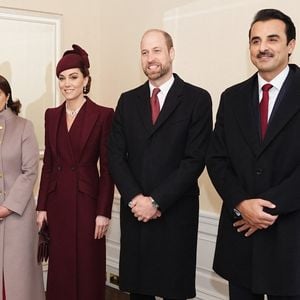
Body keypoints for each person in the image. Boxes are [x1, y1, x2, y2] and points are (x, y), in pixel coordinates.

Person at [108, 29, 212, 300]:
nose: (150, 58)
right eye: (144, 52)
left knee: (173, 291)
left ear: (171, 53)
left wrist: (155, 201)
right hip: (136, 215)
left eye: (156, 50)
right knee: (139, 292)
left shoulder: (197, 99)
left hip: (175, 214)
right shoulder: (127, 100)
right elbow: (116, 156)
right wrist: (136, 199)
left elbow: (195, 160)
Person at [206, 8, 300, 300]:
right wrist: (241, 203)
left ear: (290, 45)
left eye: (272, 39)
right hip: (241, 239)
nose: (263, 47)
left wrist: (264, 210)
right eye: (255, 41)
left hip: (290, 239)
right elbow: (217, 159)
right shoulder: (231, 98)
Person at [36, 44, 114, 300]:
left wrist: (103, 212)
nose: (66, 84)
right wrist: (42, 206)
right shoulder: (51, 115)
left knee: (88, 269)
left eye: (73, 77)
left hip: (88, 206)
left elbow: (108, 168)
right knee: (61, 270)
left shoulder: (103, 115)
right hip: (58, 204)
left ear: (86, 79)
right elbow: (48, 163)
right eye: (61, 78)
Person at [0, 75, 45, 300]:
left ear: (7, 95)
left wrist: (7, 207)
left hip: (17, 215)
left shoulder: (24, 126)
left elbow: (30, 171)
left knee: (19, 280)